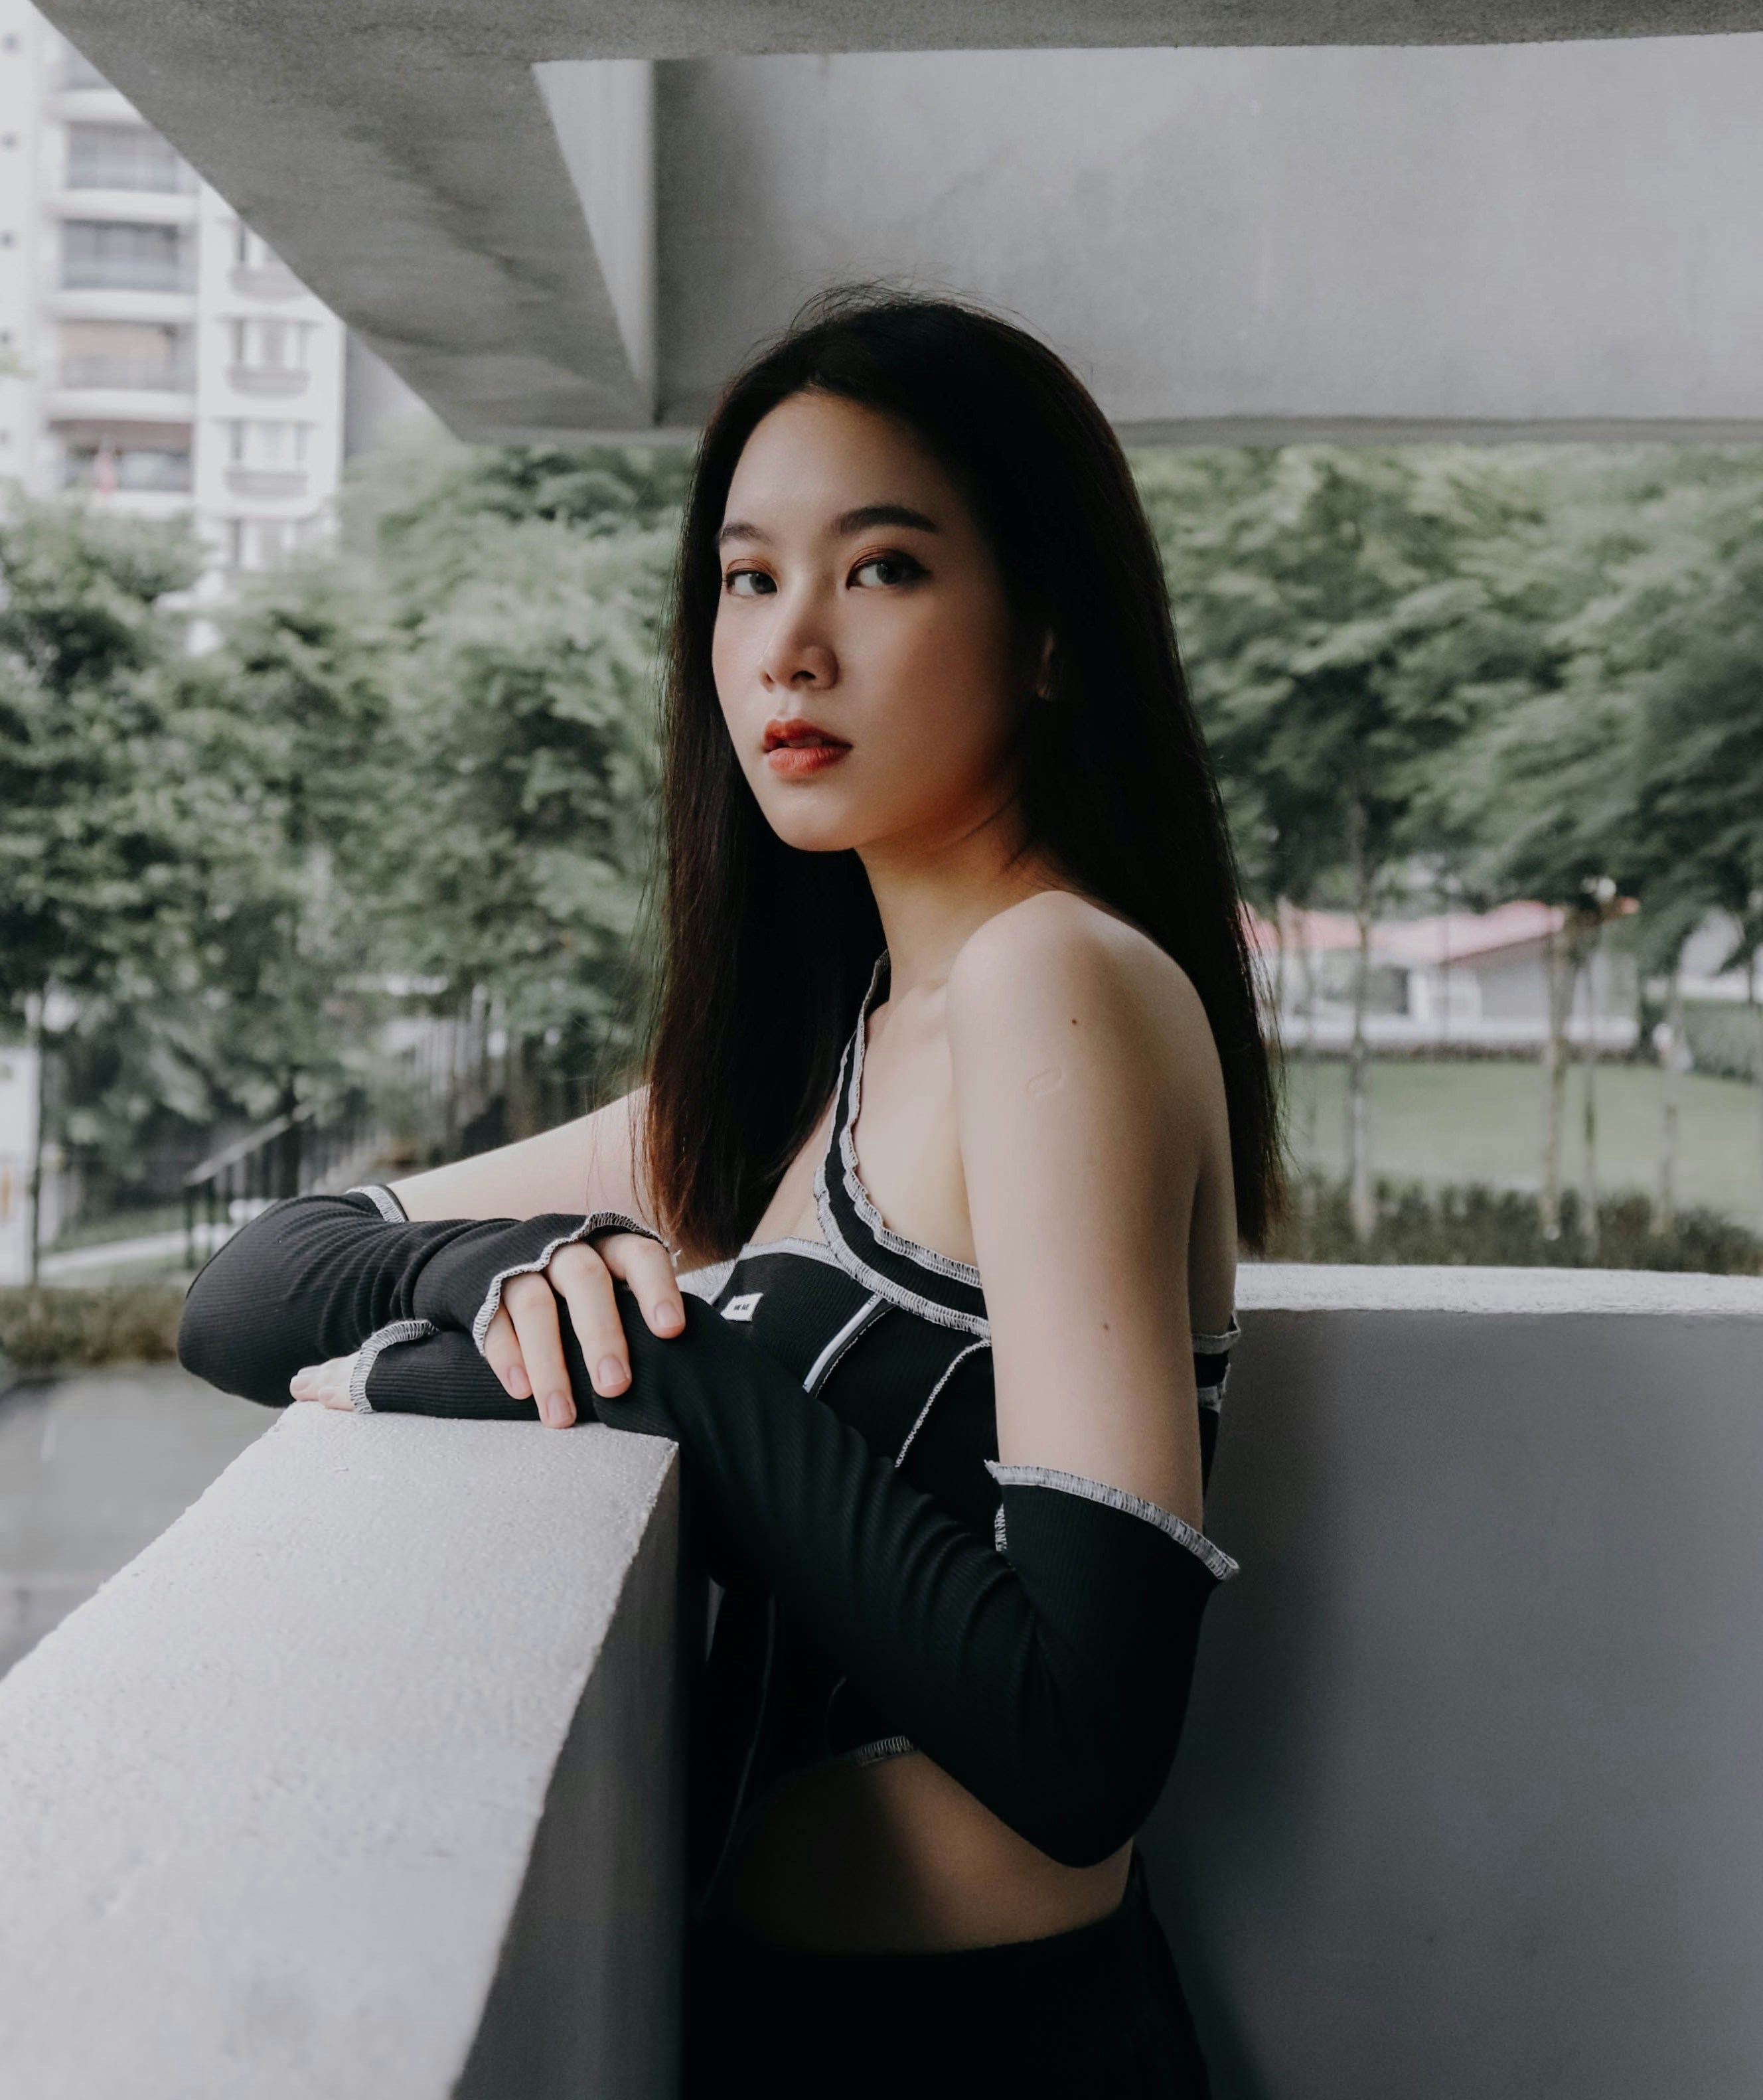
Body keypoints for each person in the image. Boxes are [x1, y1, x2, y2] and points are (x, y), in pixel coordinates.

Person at [179, 291, 1278, 2099]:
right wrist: (513, 1276)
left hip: (989, 2051)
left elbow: (1084, 1741)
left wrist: (663, 1357)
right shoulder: (819, 1060)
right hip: (762, 2028)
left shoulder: (1053, 987)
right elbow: (247, 1294)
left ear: (1056, 629)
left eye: (887, 570)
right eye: (749, 579)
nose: (790, 651)